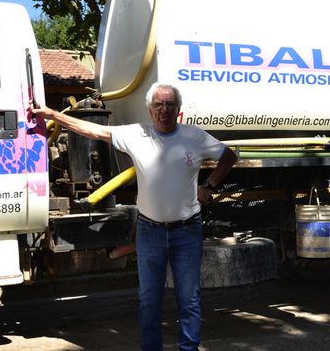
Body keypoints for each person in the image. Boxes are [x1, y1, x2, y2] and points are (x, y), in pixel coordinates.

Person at [28, 82, 237, 351]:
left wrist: (209, 186)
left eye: (169, 105)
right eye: (158, 105)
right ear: (150, 110)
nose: (164, 110)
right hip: (150, 232)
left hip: (187, 231)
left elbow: (230, 155)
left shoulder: (194, 137)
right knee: (149, 299)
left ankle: (189, 348)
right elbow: (93, 129)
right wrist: (54, 115)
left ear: (178, 110)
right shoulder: (137, 134)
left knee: (189, 299)